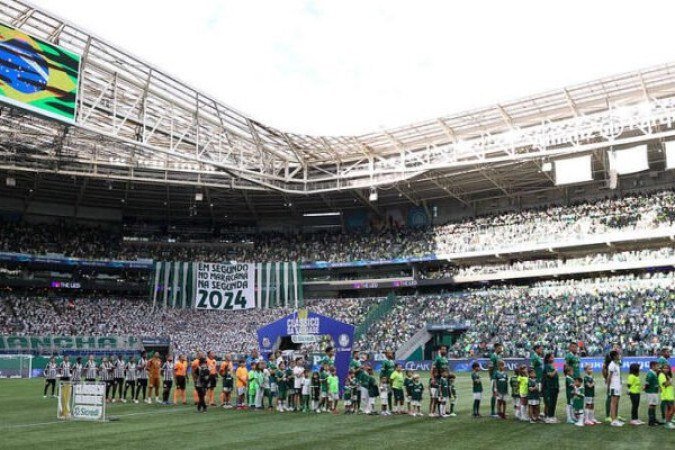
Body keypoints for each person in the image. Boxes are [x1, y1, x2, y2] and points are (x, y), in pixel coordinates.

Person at [607, 350, 623, 427]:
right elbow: (609, 377)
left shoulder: (617, 364)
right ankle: (613, 420)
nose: (619, 355)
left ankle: (616, 419)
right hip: (614, 386)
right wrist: (608, 387)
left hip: (618, 386)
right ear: (614, 356)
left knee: (616, 403)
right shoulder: (612, 365)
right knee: (613, 403)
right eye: (618, 354)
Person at [542, 353, 559, 424]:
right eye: (551, 357)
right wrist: (555, 370)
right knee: (549, 403)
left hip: (554, 387)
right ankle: (548, 417)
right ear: (548, 358)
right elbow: (551, 375)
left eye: (553, 357)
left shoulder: (551, 366)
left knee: (553, 403)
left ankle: (552, 416)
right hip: (548, 387)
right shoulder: (546, 366)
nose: (553, 358)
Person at [489, 343, 504, 417]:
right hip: (495, 378)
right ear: (496, 348)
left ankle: (499, 411)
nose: (501, 349)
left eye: (501, 348)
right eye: (499, 348)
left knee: (500, 394)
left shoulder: (499, 356)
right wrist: (491, 377)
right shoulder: (493, 356)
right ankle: (492, 412)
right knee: (494, 394)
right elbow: (490, 368)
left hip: (499, 377)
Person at [645, 360, 661, 426]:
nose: (658, 367)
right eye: (657, 366)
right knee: (651, 405)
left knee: (654, 405)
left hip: (654, 391)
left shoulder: (653, 372)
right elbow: (647, 382)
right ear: (653, 366)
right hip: (651, 392)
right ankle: (651, 421)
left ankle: (654, 419)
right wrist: (646, 388)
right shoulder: (650, 373)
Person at [657, 348, 671, 424]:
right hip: (663, 381)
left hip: (667, 380)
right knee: (664, 399)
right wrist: (660, 383)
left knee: (668, 399)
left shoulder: (664, 359)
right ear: (663, 353)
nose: (669, 353)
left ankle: (667, 417)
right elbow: (658, 370)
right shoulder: (661, 359)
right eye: (667, 352)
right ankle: (664, 418)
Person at [658, 364, 674, 429]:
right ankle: (668, 422)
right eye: (664, 368)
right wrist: (670, 380)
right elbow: (665, 384)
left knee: (669, 409)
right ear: (662, 369)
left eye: (667, 368)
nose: (666, 369)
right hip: (666, 395)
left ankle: (668, 421)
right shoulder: (661, 375)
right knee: (672, 409)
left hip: (669, 394)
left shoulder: (667, 375)